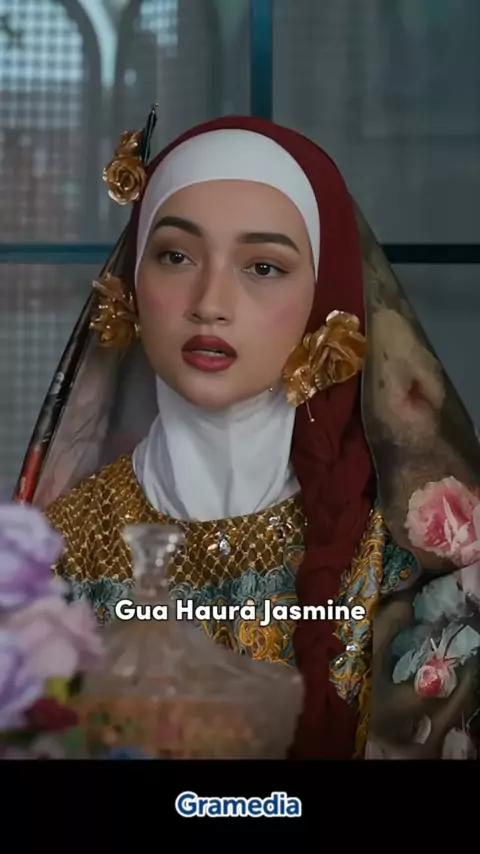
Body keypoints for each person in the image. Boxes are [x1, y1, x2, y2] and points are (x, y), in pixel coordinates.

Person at [15, 112, 480, 760]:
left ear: (325, 297)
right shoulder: (66, 548)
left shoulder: (405, 551)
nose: (210, 301)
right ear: (131, 285)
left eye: (262, 266)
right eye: (176, 256)